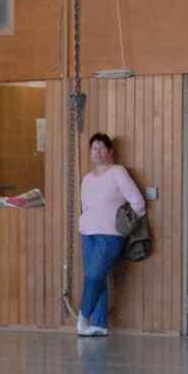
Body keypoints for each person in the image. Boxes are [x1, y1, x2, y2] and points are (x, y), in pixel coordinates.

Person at [75, 132, 147, 337]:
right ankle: (99, 324)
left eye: (102, 148)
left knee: (94, 275)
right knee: (96, 277)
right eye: (94, 148)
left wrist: (124, 226)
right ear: (90, 152)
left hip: (110, 235)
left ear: (110, 152)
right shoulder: (87, 179)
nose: (97, 151)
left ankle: (83, 316)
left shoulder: (118, 172)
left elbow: (138, 204)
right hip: (87, 233)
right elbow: (85, 206)